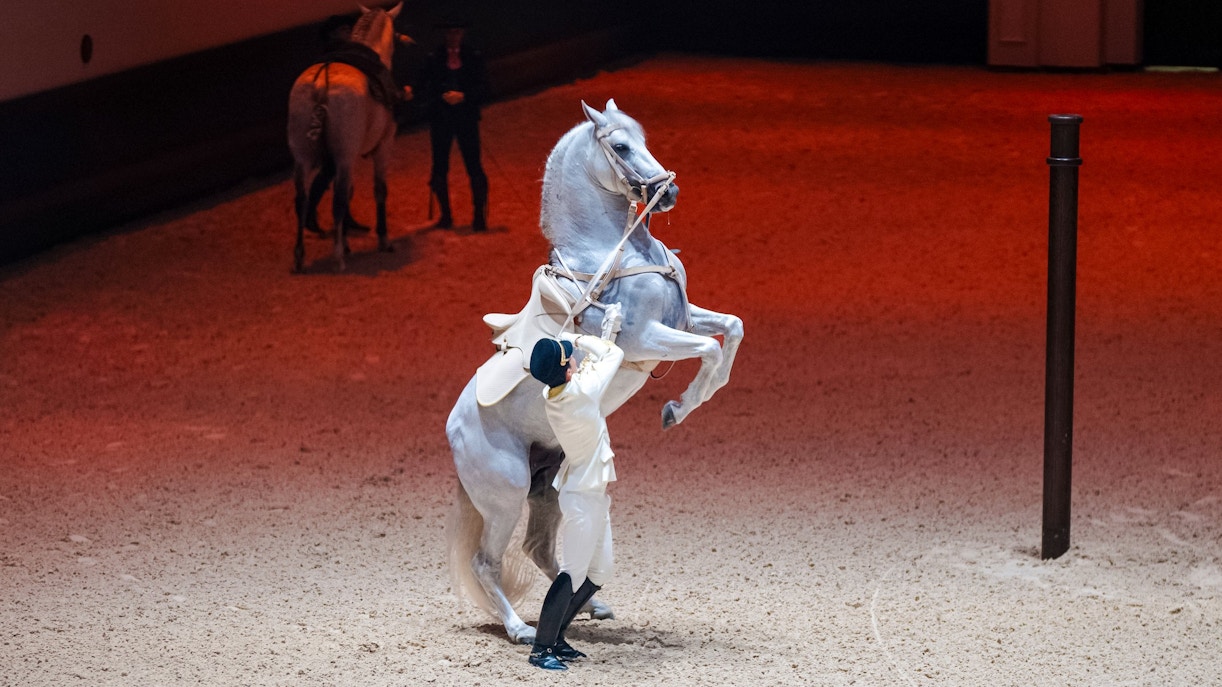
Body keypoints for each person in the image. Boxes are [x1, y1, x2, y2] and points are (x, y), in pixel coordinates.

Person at [526, 306, 625, 671]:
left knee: (601, 573)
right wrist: (580, 338)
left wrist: (580, 345)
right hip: (583, 496)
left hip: (591, 490)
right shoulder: (580, 393)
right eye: (570, 360)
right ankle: (541, 649)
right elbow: (612, 356)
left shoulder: (557, 393)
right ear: (567, 370)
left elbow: (590, 369)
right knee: (573, 573)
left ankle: (560, 637)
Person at [416, 18, 490, 231]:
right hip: (442, 118)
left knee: (473, 164)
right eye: (449, 33)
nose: (453, 37)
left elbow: (485, 87)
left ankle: (478, 215)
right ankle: (445, 215)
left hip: (466, 117)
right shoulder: (433, 58)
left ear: (462, 34)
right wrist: (441, 97)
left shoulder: (473, 57)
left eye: (456, 32)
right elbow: (424, 88)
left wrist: (465, 96)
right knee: (439, 165)